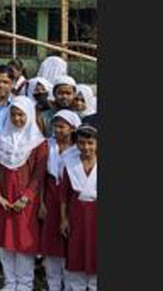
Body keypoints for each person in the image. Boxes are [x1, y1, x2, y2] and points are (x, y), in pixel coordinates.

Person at [0, 96, 47, 291]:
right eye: (13, 114)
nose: (17, 119)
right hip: (4, 201)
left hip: (26, 202)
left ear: (30, 116)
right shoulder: (1, 139)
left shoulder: (38, 143)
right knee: (5, 242)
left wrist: (25, 198)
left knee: (24, 243)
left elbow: (38, 175)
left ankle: (24, 283)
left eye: (21, 115)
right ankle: (10, 281)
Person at [39, 110, 81, 291]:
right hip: (50, 198)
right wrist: (41, 202)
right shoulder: (47, 146)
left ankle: (70, 284)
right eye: (55, 126)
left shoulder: (79, 149)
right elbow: (41, 177)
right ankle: (53, 284)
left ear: (72, 128)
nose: (58, 130)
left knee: (69, 242)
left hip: (71, 200)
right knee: (51, 243)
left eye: (62, 127)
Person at [59, 125, 97, 291]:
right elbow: (64, 195)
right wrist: (63, 219)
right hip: (77, 215)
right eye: (81, 143)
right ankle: (78, 286)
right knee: (77, 250)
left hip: (96, 215)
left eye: (90, 143)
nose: (86, 147)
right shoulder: (71, 164)